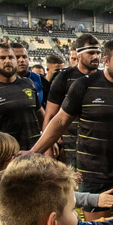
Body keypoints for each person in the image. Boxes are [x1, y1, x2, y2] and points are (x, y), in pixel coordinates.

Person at [29, 38, 113, 223]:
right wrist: (33, 152)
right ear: (106, 60)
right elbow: (60, 121)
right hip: (93, 173)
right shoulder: (83, 85)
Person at [40, 36, 99, 167]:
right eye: (90, 53)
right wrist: (49, 146)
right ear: (78, 54)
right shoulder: (64, 78)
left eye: (98, 53)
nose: (95, 57)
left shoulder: (103, 78)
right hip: (70, 148)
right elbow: (50, 114)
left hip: (98, 149)